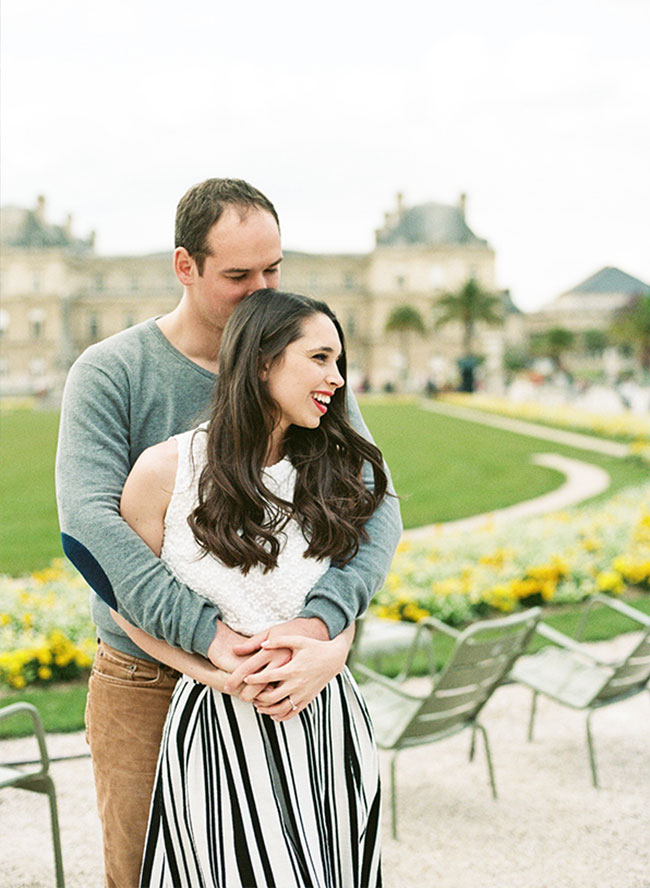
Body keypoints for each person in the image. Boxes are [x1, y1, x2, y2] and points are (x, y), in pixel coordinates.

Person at [55, 178, 402, 887]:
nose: (262, 290)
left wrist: (325, 630)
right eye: (238, 276)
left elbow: (377, 505)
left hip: (288, 674)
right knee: (143, 873)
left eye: (273, 270)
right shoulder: (112, 371)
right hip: (149, 676)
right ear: (185, 267)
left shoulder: (300, 362)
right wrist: (207, 636)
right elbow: (90, 527)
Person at [115, 289, 384, 887]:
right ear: (263, 362)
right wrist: (211, 672)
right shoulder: (165, 471)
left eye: (339, 361)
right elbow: (125, 604)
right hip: (218, 733)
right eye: (320, 358)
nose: (337, 378)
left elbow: (348, 585)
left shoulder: (332, 467)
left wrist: (333, 649)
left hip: (327, 723)